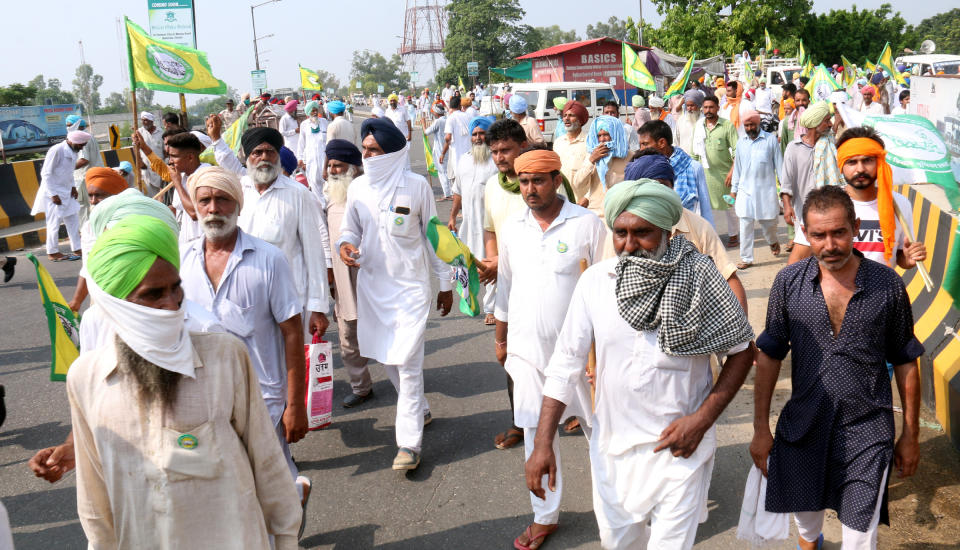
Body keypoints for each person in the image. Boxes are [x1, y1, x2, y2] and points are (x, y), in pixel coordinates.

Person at [526, 179, 755, 550]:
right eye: (620, 233)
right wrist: (542, 443)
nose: (629, 245)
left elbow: (743, 350)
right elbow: (564, 365)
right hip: (613, 452)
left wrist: (702, 419)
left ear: (667, 230)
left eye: (643, 233)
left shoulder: (701, 276)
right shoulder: (595, 282)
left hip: (682, 451)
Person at [67, 214, 302, 549]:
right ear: (116, 303)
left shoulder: (224, 356)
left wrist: (285, 537)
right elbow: (93, 495)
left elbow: (267, 460)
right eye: (153, 295)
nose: (172, 304)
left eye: (175, 288)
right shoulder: (86, 379)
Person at [751, 185, 923, 550]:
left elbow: (906, 360)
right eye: (818, 235)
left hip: (868, 432)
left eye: (838, 232)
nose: (830, 244)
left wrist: (910, 434)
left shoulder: (887, 285)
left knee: (861, 536)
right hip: (802, 428)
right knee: (808, 529)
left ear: (856, 227)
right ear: (806, 235)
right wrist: (760, 428)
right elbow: (769, 354)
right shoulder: (788, 283)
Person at [179, 167, 313, 536]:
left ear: (237, 204)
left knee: (258, 486)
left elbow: (291, 333)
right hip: (207, 399)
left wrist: (295, 404)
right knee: (239, 486)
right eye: (204, 200)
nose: (213, 208)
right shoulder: (183, 260)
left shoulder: (268, 259)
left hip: (265, 398)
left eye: (222, 199)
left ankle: (283, 516)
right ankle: (293, 497)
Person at [496, 149, 606, 550]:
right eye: (524, 182)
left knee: (600, 430)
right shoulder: (513, 228)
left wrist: (604, 350)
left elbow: (604, 287)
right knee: (534, 433)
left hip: (582, 355)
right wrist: (501, 340)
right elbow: (505, 289)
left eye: (538, 181)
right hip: (527, 351)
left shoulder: (587, 224)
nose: (530, 189)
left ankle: (613, 512)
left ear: (557, 180)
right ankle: (545, 516)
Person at [337, 118, 454, 470]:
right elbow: (349, 228)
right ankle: (420, 408)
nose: (366, 155)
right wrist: (346, 245)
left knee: (406, 362)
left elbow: (435, 237)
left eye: (373, 149)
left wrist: (445, 283)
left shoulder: (416, 186)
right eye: (365, 149)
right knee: (388, 356)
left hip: (410, 290)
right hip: (373, 288)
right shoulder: (358, 188)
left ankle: (409, 444)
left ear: (391, 153)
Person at [222, 127, 331, 339]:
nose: (264, 158)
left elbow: (313, 254)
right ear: (246, 157)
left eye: (270, 152)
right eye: (257, 153)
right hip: (246, 301)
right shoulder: (237, 192)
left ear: (278, 155)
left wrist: (318, 308)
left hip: (291, 301)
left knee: (293, 366)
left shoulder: (298, 193)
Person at [787, 126, 927, 270]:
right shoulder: (822, 204)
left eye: (867, 160)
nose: (860, 169)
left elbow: (899, 257)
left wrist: (909, 259)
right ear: (841, 166)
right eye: (852, 162)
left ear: (879, 163)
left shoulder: (900, 204)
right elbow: (797, 259)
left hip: (880, 290)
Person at [623, 153, 747, 313]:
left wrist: (742, 331)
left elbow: (729, 279)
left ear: (672, 188)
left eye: (663, 188)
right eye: (651, 191)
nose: (659, 196)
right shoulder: (620, 234)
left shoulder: (698, 226)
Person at [323, 140, 374, 408]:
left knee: (382, 332)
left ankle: (408, 388)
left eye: (338, 166)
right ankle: (361, 387)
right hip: (343, 282)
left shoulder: (369, 193)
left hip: (372, 277)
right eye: (330, 165)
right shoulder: (327, 198)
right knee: (347, 337)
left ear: (353, 168)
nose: (332, 171)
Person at [448, 116, 499, 325]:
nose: (478, 138)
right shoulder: (464, 160)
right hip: (469, 222)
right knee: (467, 264)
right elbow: (457, 191)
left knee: (489, 263)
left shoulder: (496, 160)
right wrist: (452, 216)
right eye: (475, 134)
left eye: (481, 133)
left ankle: (492, 308)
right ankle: (469, 300)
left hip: (491, 224)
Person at [67, 167, 131, 313]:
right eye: (90, 196)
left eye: (99, 195)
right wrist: (76, 302)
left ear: (116, 195)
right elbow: (89, 266)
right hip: (102, 298)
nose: (94, 201)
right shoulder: (89, 227)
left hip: (133, 297)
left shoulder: (133, 220)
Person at [780, 102, 841, 254]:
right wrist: (787, 207)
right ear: (815, 123)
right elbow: (786, 183)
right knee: (802, 258)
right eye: (827, 120)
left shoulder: (830, 144)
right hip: (803, 215)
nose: (830, 124)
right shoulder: (793, 148)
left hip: (829, 211)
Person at [730, 111, 783, 269]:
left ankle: (773, 241)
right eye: (746, 125)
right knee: (745, 224)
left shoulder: (770, 140)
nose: (749, 128)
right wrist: (734, 190)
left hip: (765, 193)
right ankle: (746, 258)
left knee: (769, 225)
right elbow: (737, 168)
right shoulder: (741, 143)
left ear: (758, 124)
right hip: (745, 192)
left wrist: (784, 190)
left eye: (752, 124)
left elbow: (779, 166)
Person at [638, 120, 714, 227]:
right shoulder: (643, 169)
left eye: (645, 144)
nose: (641, 149)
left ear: (662, 143)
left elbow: (705, 208)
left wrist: (710, 237)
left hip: (689, 232)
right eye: (640, 145)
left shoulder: (693, 168)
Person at [32, 130, 89, 261]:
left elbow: (69, 172)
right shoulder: (56, 150)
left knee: (73, 220)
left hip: (67, 191)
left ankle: (77, 248)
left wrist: (73, 187)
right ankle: (52, 252)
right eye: (81, 144)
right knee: (54, 223)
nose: (82, 147)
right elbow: (46, 173)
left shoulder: (74, 151)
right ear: (74, 141)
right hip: (53, 192)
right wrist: (53, 195)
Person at [694, 95, 738, 244]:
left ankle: (734, 235)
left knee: (730, 206)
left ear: (718, 108)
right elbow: (694, 152)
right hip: (705, 175)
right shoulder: (699, 126)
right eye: (705, 107)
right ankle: (710, 237)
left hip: (725, 175)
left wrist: (733, 171)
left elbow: (737, 151)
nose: (708, 110)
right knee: (705, 207)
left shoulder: (727, 126)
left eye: (711, 107)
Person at [574, 115, 629, 217]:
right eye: (599, 136)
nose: (602, 139)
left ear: (615, 134)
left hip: (618, 216)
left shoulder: (629, 157)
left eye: (606, 134)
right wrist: (591, 161)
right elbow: (578, 184)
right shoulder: (592, 155)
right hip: (595, 215)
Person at [164, 132, 210, 246]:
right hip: (187, 242)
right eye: (169, 156)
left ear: (190, 157)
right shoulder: (183, 176)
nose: (170, 161)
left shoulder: (205, 175)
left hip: (203, 243)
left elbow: (195, 213)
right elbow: (178, 208)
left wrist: (178, 184)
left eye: (174, 156)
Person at [66, 116, 103, 226]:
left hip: (85, 177)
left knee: (83, 207)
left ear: (77, 125)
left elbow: (84, 160)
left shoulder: (81, 138)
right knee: (94, 205)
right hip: (93, 176)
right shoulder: (88, 136)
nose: (67, 128)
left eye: (69, 126)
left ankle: (86, 232)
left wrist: (68, 167)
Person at [553, 101, 590, 186]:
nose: (566, 118)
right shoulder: (558, 142)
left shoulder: (589, 142)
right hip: (562, 194)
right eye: (565, 115)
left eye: (571, 115)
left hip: (581, 196)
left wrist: (586, 199)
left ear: (580, 120)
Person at [295, 100, 329, 190]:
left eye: (316, 110)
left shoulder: (324, 122)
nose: (315, 113)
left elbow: (329, 141)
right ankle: (319, 204)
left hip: (324, 158)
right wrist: (300, 158)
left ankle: (325, 203)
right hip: (310, 159)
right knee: (313, 183)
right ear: (308, 112)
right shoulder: (304, 125)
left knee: (327, 184)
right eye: (312, 111)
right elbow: (301, 143)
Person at [441, 95, 471, 186]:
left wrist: (443, 152)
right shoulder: (467, 116)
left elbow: (448, 137)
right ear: (459, 105)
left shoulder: (450, 118)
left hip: (457, 157)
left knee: (459, 185)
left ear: (450, 106)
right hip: (469, 155)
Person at [424, 102, 451, 200]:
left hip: (441, 149)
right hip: (447, 148)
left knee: (442, 172)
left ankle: (447, 194)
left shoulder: (438, 121)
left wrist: (423, 124)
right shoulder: (447, 119)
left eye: (434, 111)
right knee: (447, 171)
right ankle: (450, 192)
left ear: (436, 112)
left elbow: (426, 132)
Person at [136, 111, 165, 196]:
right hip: (146, 169)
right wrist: (140, 162)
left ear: (151, 121)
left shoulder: (161, 132)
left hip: (160, 169)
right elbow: (136, 149)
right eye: (142, 120)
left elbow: (165, 151)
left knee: (162, 194)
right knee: (150, 195)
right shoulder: (139, 132)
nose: (143, 122)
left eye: (145, 120)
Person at [674, 90, 704, 155]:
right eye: (687, 106)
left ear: (699, 106)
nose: (689, 108)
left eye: (692, 105)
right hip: (684, 159)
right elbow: (675, 141)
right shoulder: (681, 120)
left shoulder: (705, 121)